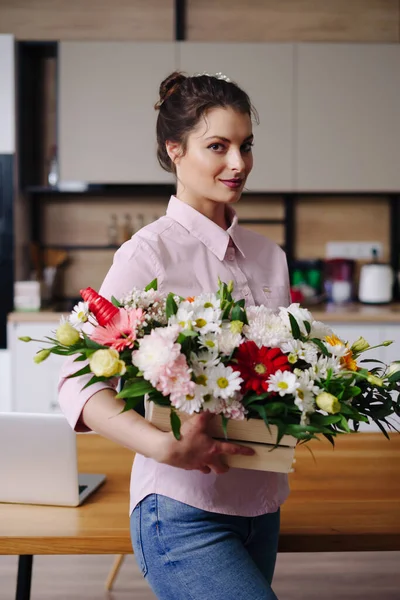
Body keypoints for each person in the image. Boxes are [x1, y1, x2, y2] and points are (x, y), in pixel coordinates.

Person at [58, 71, 291, 600]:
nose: (239, 163)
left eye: (245, 146)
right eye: (218, 146)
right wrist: (165, 447)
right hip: (183, 514)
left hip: (262, 505)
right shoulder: (148, 254)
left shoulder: (269, 256)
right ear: (175, 150)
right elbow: (78, 382)